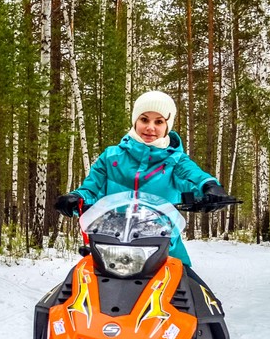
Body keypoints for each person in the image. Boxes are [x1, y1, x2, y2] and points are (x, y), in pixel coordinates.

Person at [54, 90, 235, 267]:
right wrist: (75, 198)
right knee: (73, 290)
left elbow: (194, 176)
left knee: (194, 291)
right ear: (135, 121)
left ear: (167, 126)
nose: (150, 127)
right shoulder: (110, 157)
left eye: (159, 121)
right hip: (111, 245)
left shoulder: (176, 161)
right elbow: (91, 188)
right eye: (144, 119)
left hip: (163, 246)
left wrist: (210, 187)